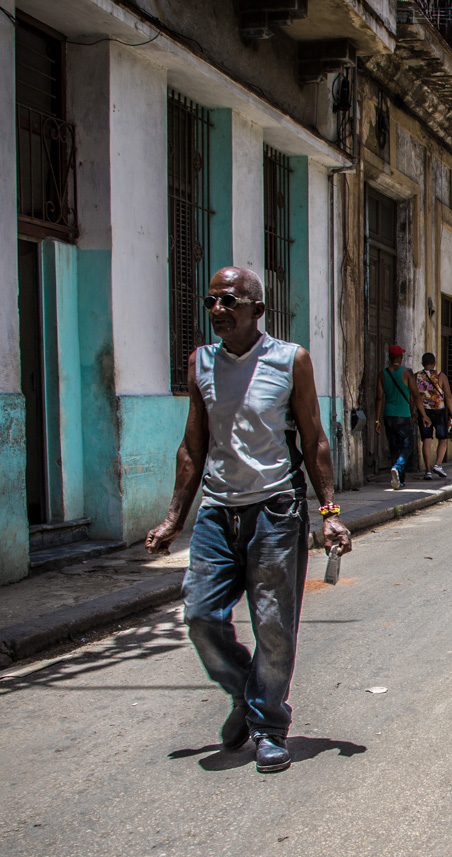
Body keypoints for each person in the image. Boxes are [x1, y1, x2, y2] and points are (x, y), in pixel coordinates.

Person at [144, 266, 352, 774]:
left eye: (229, 302)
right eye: (211, 301)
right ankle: (247, 693)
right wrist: (175, 518)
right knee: (200, 616)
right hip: (218, 513)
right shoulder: (201, 363)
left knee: (275, 628)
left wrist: (329, 513)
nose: (217, 311)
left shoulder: (289, 360)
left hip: (276, 512)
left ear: (257, 311)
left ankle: (269, 727)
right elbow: (194, 445)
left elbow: (314, 439)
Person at [374, 345, 420, 489]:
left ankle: (399, 480)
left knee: (394, 446)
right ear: (400, 358)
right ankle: (398, 466)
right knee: (407, 445)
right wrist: (422, 414)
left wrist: (377, 419)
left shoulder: (382, 374)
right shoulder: (406, 373)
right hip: (403, 415)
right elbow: (415, 394)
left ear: (389, 357)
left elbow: (379, 398)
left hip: (388, 415)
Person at [416, 352, 452, 480]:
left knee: (426, 440)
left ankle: (427, 470)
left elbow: (414, 396)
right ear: (434, 363)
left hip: (424, 412)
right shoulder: (441, 376)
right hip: (439, 411)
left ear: (422, 363)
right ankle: (438, 464)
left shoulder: (417, 376)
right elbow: (448, 396)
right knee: (443, 438)